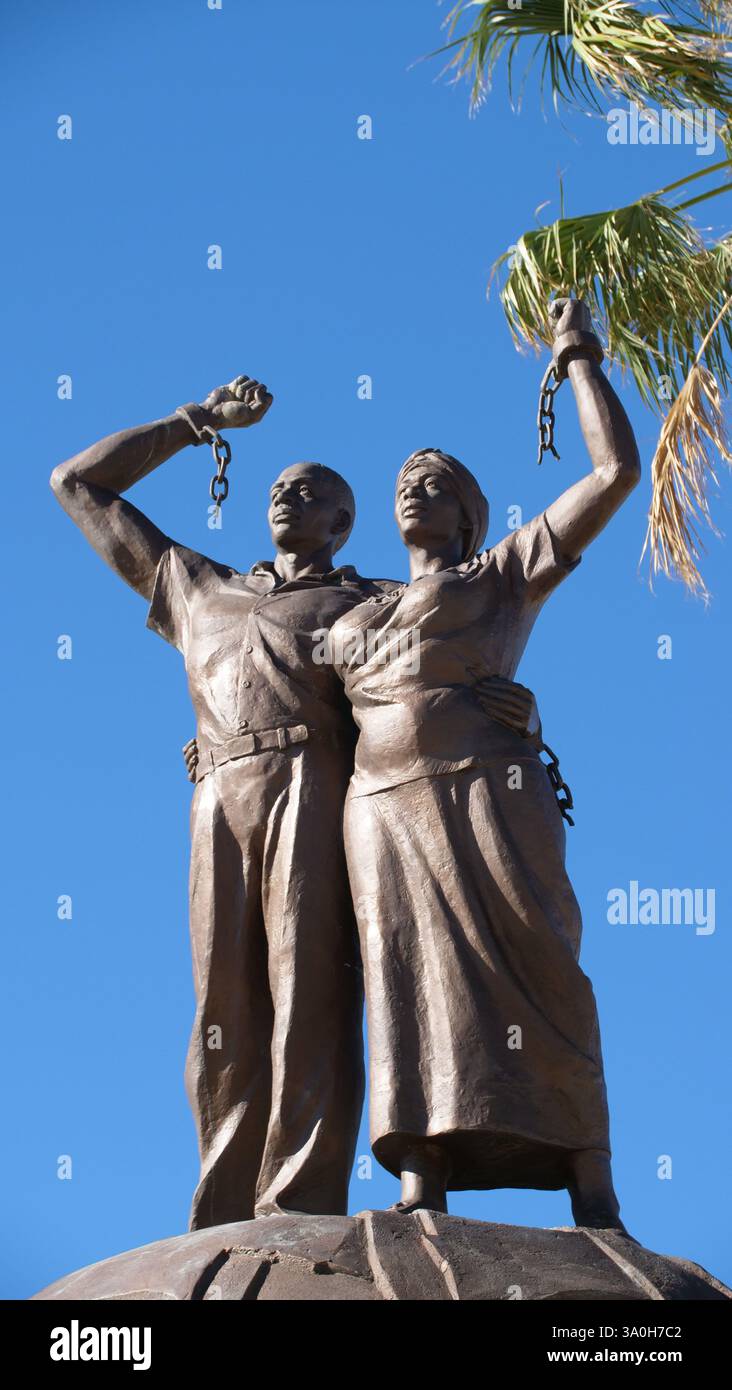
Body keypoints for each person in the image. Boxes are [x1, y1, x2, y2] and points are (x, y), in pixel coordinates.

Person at [50, 376, 397, 1228]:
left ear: (341, 523)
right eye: (277, 487)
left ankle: (300, 1199)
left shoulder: (374, 602)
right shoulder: (199, 588)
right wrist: (192, 422)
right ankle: (226, 1207)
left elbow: (459, 662)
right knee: (221, 1009)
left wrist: (519, 713)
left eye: (309, 490)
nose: (286, 494)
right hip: (217, 796)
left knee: (308, 988)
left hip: (314, 786)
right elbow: (77, 485)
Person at [329, 299, 641, 1230]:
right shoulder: (353, 615)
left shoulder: (499, 576)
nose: (414, 487)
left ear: (472, 518)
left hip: (488, 796)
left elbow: (615, 473)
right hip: (379, 808)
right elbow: (271, 685)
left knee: (540, 966)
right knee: (403, 976)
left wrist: (579, 354)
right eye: (404, 480)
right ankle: (420, 1167)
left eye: (437, 482)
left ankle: (590, 1174)